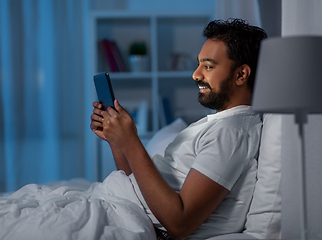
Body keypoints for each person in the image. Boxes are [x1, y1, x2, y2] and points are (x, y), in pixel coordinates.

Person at [91, 18, 267, 240]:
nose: (196, 74)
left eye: (208, 66)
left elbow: (179, 223)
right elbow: (135, 184)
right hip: (121, 208)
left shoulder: (230, 133)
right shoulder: (218, 124)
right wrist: (117, 141)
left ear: (241, 75)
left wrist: (131, 142)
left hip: (125, 219)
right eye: (199, 64)